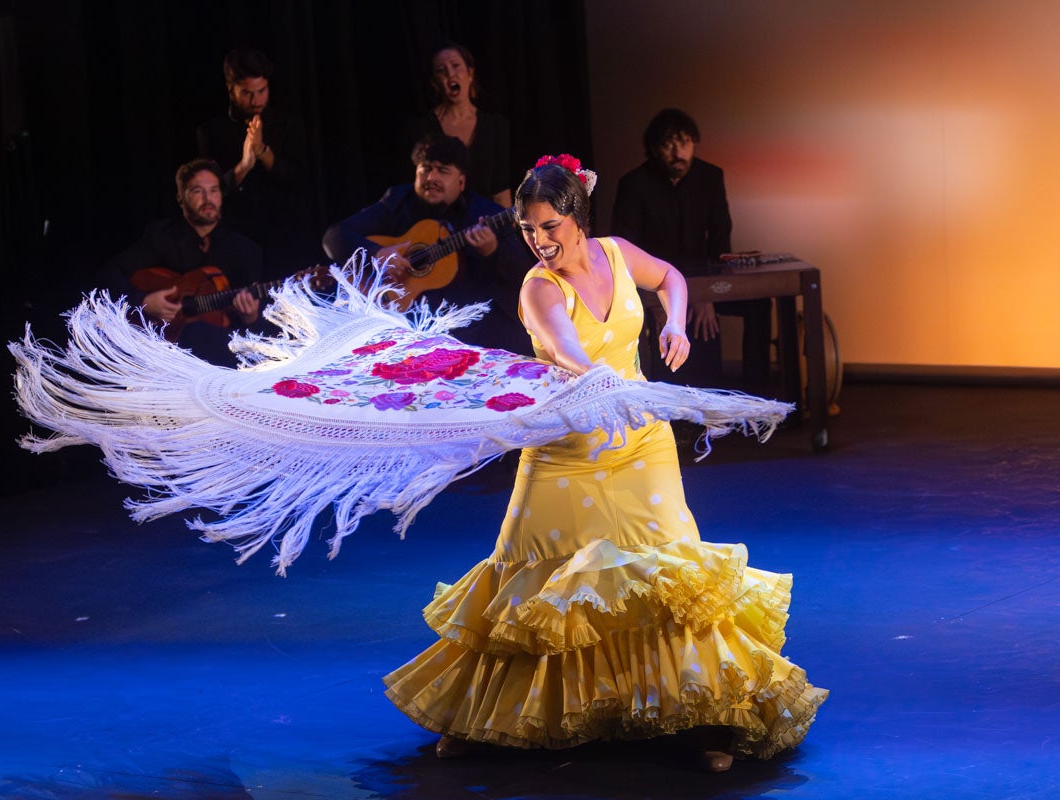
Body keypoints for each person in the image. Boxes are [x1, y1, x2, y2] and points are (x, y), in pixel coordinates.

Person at [383, 156, 827, 770]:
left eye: (550, 228)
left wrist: (676, 323)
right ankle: (479, 715)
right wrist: (611, 384)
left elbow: (669, 275)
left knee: (671, 580)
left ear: (577, 218)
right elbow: (569, 355)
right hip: (567, 450)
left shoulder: (616, 253)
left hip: (641, 443)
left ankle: (705, 715)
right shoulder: (539, 288)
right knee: (531, 584)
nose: (540, 242)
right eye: (530, 230)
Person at [322, 134, 533, 354]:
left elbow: (524, 275)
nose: (431, 177)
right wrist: (379, 253)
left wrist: (492, 252)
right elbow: (334, 236)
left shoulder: (487, 215)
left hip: (466, 330)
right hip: (397, 324)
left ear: (461, 182)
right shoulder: (398, 200)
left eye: (443, 170)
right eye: (425, 168)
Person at [612, 108, 772, 390]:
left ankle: (757, 393)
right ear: (653, 149)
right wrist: (664, 300)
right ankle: (655, 398)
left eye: (685, 143)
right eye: (668, 144)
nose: (678, 152)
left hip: (705, 280)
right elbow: (623, 250)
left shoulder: (710, 177)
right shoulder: (634, 184)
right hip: (655, 285)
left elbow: (721, 240)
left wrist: (705, 293)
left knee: (759, 303)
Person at [99, 158, 265, 366]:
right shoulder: (160, 237)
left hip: (220, 358)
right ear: (181, 197)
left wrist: (251, 318)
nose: (208, 198)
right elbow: (111, 272)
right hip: (159, 350)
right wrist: (144, 301)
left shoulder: (245, 249)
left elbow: (258, 337)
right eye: (197, 191)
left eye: (214, 191)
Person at [195, 48, 314, 273]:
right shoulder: (210, 131)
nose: (256, 100)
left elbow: (300, 179)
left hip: (284, 233)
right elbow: (210, 193)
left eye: (262, 91)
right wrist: (245, 164)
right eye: (247, 93)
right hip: (235, 236)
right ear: (231, 90)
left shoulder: (287, 124)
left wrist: (263, 153)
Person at [406, 42, 511, 207]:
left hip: (483, 224)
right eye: (442, 71)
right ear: (436, 83)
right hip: (437, 225)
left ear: (470, 74)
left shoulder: (496, 126)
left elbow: (501, 191)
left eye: (456, 66)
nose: (450, 74)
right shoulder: (422, 128)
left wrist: (507, 231)